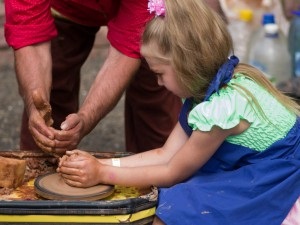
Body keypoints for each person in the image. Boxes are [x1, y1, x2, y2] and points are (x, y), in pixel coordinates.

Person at [57, 0, 300, 224]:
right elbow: (166, 154)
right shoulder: (211, 86)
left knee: (181, 204)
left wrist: (102, 173)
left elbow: (173, 171)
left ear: (187, 65)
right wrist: (97, 163)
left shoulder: (221, 110)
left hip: (277, 173)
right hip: (258, 163)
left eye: (159, 73)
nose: (158, 83)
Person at [4, 0, 225, 155]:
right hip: (65, 6)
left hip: (141, 7)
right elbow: (29, 33)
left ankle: (159, 186)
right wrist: (36, 107)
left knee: (156, 80)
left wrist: (86, 119)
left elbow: (124, 53)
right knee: (49, 102)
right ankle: (37, 186)